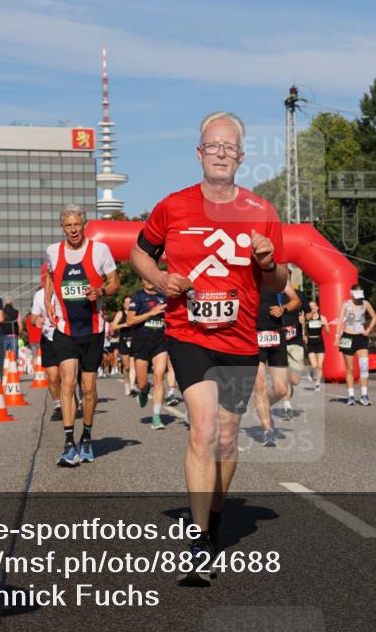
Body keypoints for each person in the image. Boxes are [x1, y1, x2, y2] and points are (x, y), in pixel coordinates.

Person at [130, 111, 287, 586]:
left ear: (241, 156)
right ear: (199, 154)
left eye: (229, 147)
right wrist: (159, 279)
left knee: (225, 437)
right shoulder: (172, 207)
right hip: (188, 332)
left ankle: (215, 520)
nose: (221, 153)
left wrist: (267, 260)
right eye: (212, 146)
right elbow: (139, 251)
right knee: (201, 429)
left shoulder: (261, 210)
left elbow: (280, 281)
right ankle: (199, 543)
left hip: (239, 338)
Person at [43, 205, 119, 466]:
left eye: (77, 225)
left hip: (93, 329)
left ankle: (86, 436)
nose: (73, 230)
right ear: (62, 227)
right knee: (67, 383)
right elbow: (50, 276)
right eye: (68, 226)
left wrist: (101, 292)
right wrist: (48, 301)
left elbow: (115, 283)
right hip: (65, 329)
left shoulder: (100, 250)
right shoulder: (54, 251)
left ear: (84, 225)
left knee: (88, 388)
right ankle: (68, 443)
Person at [253, 284, 301, 446]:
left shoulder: (277, 277)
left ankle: (262, 404)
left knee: (281, 389)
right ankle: (268, 430)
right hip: (253, 335)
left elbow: (295, 300)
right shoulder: (245, 274)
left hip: (276, 334)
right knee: (260, 386)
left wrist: (284, 308)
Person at [128, 280, 170, 429]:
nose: (149, 281)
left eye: (151, 278)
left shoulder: (164, 296)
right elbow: (129, 321)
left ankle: (156, 417)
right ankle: (144, 390)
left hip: (160, 342)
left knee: (159, 377)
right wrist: (151, 313)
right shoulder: (138, 297)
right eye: (146, 279)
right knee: (142, 383)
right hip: (141, 343)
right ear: (142, 281)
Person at [334, 283, 376, 406]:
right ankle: (351, 396)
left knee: (364, 367)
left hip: (361, 337)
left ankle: (364, 395)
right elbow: (339, 321)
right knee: (350, 368)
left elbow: (375, 317)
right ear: (351, 293)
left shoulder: (365, 304)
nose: (358, 299)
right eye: (356, 296)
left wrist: (368, 329)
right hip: (348, 337)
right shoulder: (345, 304)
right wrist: (337, 337)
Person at [31, 265, 63, 421]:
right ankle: (58, 405)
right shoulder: (39, 296)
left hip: (66, 336)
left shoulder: (65, 290)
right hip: (48, 338)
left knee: (67, 374)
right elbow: (32, 316)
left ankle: (72, 395)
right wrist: (36, 320)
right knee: (53, 376)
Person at [281, 284, 308, 417]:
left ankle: (287, 382)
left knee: (295, 380)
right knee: (283, 375)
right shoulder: (272, 294)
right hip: (279, 340)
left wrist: (304, 322)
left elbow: (308, 313)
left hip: (295, 340)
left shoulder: (299, 294)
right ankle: (287, 406)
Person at [112, 296, 137, 396]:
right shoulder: (120, 314)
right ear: (123, 304)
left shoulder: (136, 312)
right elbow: (113, 326)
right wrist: (124, 325)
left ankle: (132, 386)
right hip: (124, 341)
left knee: (133, 364)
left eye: (130, 302)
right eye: (126, 302)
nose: (128, 304)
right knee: (126, 367)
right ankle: (127, 384)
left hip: (135, 340)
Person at [305, 300, 326, 390]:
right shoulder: (308, 316)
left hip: (319, 341)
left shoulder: (322, 317)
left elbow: (328, 331)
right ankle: (310, 371)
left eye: (314, 306)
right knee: (314, 365)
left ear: (317, 307)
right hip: (311, 341)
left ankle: (317, 384)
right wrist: (304, 335)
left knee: (320, 365)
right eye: (310, 306)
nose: (312, 307)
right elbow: (303, 326)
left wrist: (325, 325)